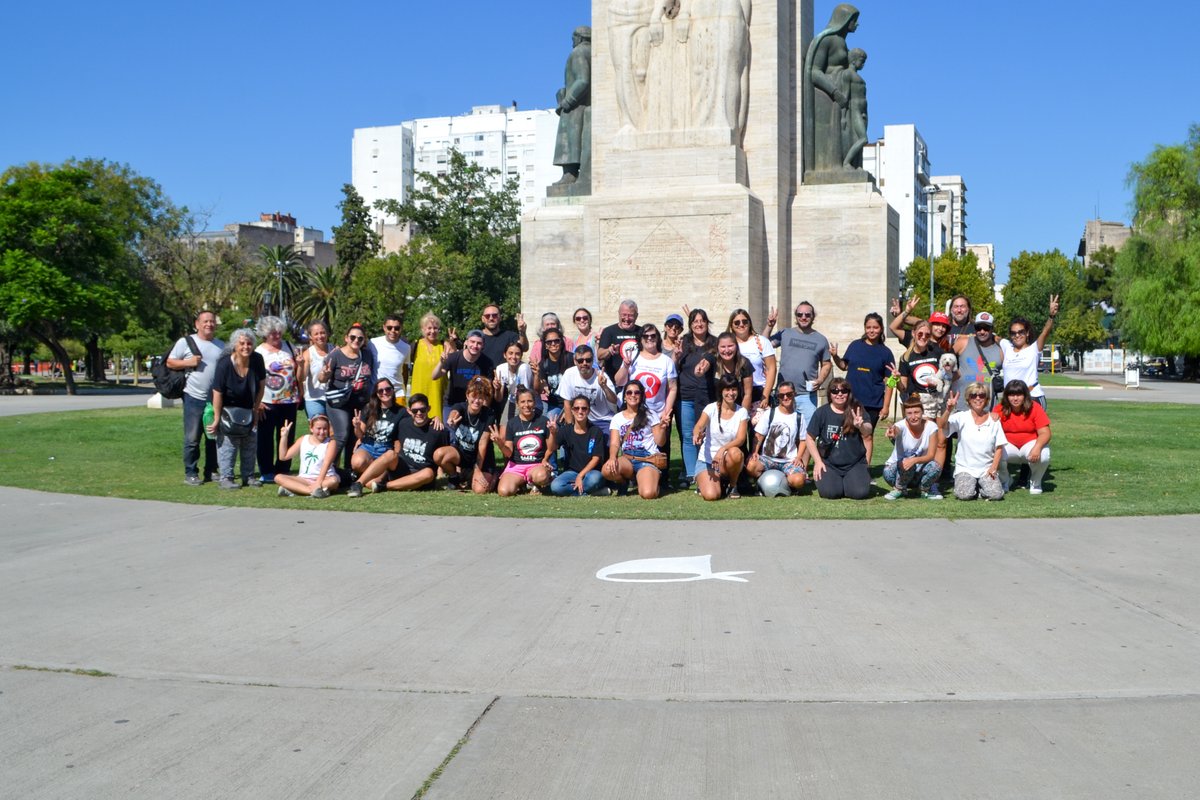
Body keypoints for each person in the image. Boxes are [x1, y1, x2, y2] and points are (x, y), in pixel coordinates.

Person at [166, 310, 224, 486]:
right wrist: (187, 363)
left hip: (215, 399)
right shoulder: (186, 342)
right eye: (205, 321)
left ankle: (212, 470)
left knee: (213, 437)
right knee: (192, 438)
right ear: (197, 324)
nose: (209, 324)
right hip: (193, 397)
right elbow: (170, 362)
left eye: (212, 321)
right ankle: (191, 472)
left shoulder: (221, 345)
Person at [830, 312, 894, 462]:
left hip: (872, 402)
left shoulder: (886, 352)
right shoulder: (855, 346)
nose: (872, 330)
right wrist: (835, 356)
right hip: (850, 400)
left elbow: (890, 382)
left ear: (881, 329)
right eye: (868, 327)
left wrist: (885, 406)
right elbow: (844, 366)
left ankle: (864, 469)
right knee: (847, 433)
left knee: (866, 435)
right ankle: (846, 465)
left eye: (875, 327)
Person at [207, 328, 266, 490]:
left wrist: (255, 410)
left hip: (248, 407)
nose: (246, 347)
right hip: (227, 408)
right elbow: (217, 392)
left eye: (249, 343)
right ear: (235, 345)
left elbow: (261, 387)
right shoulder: (225, 363)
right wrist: (217, 418)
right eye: (242, 343)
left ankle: (248, 476)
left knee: (250, 443)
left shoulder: (257, 360)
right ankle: (226, 477)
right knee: (228, 445)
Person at [319, 323, 375, 473]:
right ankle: (326, 469)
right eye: (353, 337)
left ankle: (349, 470)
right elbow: (322, 379)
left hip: (360, 402)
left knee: (354, 437)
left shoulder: (367, 354)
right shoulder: (336, 355)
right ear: (346, 338)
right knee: (341, 435)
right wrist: (324, 373)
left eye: (360, 338)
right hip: (339, 402)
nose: (356, 340)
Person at [805, 377, 872, 500]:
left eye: (843, 391)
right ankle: (839, 483)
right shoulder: (821, 413)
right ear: (830, 394)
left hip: (854, 463)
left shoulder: (856, 409)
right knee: (830, 493)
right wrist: (818, 461)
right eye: (835, 391)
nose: (839, 394)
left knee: (859, 493)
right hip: (829, 464)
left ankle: (851, 481)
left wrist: (860, 425)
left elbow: (868, 430)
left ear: (848, 393)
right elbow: (809, 438)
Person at [603, 379, 669, 499]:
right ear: (624, 396)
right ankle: (624, 482)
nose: (633, 395)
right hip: (627, 458)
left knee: (648, 494)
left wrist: (663, 428)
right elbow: (614, 443)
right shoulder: (617, 418)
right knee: (607, 470)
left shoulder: (650, 415)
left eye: (637, 393)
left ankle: (650, 480)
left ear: (642, 396)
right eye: (629, 393)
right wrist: (612, 457)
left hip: (647, 458)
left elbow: (660, 442)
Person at [938, 385, 1006, 501]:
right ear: (968, 399)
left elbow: (999, 447)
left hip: (986, 468)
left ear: (987, 399)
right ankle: (973, 486)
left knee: (996, 495)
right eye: (973, 395)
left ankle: (980, 487)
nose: (978, 398)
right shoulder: (961, 417)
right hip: (965, 468)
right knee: (964, 495)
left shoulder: (994, 420)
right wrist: (948, 410)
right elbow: (942, 425)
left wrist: (993, 468)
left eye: (982, 395)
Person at [254, 315, 300, 483]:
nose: (277, 335)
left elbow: (297, 372)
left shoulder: (289, 346)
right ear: (265, 334)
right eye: (273, 333)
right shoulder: (259, 351)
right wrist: (256, 402)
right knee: (265, 438)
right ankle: (266, 471)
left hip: (289, 400)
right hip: (267, 402)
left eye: (279, 332)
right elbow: (254, 378)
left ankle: (283, 468)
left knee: (286, 436)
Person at [675, 308, 718, 487]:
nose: (699, 324)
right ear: (691, 326)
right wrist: (676, 355)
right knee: (687, 436)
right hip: (686, 396)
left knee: (707, 434)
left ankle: (707, 471)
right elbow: (675, 367)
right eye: (695, 322)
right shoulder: (684, 342)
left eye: (702, 321)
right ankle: (692, 474)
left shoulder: (715, 343)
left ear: (707, 323)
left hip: (708, 397)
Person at [344, 379, 408, 497]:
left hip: (385, 450)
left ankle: (360, 482)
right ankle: (375, 473)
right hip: (368, 446)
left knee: (372, 483)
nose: (385, 393)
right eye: (380, 391)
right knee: (357, 462)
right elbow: (360, 435)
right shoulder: (369, 408)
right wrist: (357, 427)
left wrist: (435, 419)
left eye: (388, 389)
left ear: (393, 391)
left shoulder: (401, 411)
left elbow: (418, 418)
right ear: (376, 394)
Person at [693, 374, 750, 500]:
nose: (731, 393)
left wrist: (722, 449)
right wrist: (697, 433)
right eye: (727, 389)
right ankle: (705, 482)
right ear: (721, 391)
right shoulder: (711, 408)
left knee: (736, 453)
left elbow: (740, 439)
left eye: (734, 389)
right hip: (708, 460)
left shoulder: (742, 412)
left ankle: (732, 485)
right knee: (712, 496)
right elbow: (699, 425)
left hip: (726, 460)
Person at [745, 380, 808, 494]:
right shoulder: (770, 414)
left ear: (794, 394)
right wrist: (754, 451)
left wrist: (799, 457)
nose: (785, 398)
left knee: (799, 480)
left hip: (788, 461)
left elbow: (803, 440)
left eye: (789, 394)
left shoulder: (799, 417)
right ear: (777, 397)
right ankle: (760, 484)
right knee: (750, 466)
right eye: (781, 395)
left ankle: (788, 487)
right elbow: (759, 435)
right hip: (767, 459)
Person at [439, 376, 498, 494]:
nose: (477, 401)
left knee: (480, 490)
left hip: (483, 459)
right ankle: (455, 477)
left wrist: (478, 469)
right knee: (439, 454)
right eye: (474, 396)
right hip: (463, 456)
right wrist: (451, 419)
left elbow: (482, 445)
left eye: (480, 398)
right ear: (467, 395)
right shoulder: (460, 407)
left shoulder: (489, 415)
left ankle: (495, 475)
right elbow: (454, 412)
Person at [775, 301, 831, 424]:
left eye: (807, 315)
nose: (803, 317)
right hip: (783, 394)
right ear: (796, 316)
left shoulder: (821, 339)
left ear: (813, 317)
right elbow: (764, 345)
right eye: (800, 314)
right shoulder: (785, 333)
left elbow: (827, 364)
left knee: (808, 434)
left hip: (807, 396)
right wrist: (769, 326)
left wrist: (820, 380)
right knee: (781, 430)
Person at [493, 387, 555, 496]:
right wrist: (500, 443)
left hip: (536, 465)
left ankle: (535, 484)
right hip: (517, 465)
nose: (526, 405)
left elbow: (551, 447)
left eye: (530, 401)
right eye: (522, 402)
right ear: (517, 404)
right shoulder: (512, 423)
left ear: (535, 403)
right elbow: (508, 453)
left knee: (542, 476)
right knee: (504, 492)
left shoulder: (543, 421)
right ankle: (523, 483)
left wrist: (553, 433)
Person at [1001, 295, 1059, 409]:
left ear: (1027, 333)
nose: (1017, 335)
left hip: (1032, 397)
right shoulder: (1006, 346)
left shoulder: (1034, 349)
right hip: (1011, 400)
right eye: (1013, 333)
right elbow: (989, 335)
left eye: (1021, 332)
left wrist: (1051, 316)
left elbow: (1045, 332)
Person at [995, 379, 1052, 494]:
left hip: (1029, 445)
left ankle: (1035, 482)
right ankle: (1005, 481)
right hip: (1008, 445)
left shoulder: (1035, 407)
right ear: (1006, 396)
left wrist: (1037, 447)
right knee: (993, 451)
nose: (1015, 398)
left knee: (1044, 454)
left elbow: (1045, 433)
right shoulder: (1000, 408)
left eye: (1019, 394)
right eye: (1011, 395)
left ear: (1025, 395)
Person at [882, 395, 942, 500]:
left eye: (916, 412)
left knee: (936, 466)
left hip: (916, 470)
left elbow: (931, 455)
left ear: (922, 412)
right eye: (909, 413)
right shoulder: (900, 425)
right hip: (895, 472)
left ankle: (923, 490)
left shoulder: (931, 427)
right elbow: (897, 430)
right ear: (905, 414)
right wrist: (892, 432)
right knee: (906, 462)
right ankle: (899, 489)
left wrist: (914, 460)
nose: (913, 417)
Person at [549, 395, 608, 496]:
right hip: (572, 472)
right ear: (572, 410)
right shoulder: (566, 430)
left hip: (591, 472)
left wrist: (580, 476)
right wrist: (553, 434)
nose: (580, 411)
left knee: (594, 480)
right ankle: (592, 492)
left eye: (584, 408)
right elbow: (552, 448)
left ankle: (578, 491)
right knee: (556, 486)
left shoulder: (596, 431)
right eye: (576, 408)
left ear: (589, 411)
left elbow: (596, 458)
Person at [557, 344, 619, 438]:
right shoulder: (569, 374)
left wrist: (604, 387)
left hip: (602, 419)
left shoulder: (601, 376)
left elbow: (614, 400)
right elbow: (567, 403)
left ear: (592, 360)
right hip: (581, 419)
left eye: (588, 360)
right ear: (575, 361)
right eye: (580, 361)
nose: (584, 363)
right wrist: (570, 429)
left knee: (605, 446)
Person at [274, 415, 340, 499]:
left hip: (325, 478)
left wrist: (318, 483)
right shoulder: (303, 439)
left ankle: (295, 490)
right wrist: (284, 437)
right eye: (318, 428)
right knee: (278, 477)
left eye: (325, 429)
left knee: (334, 481)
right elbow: (283, 457)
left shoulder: (331, 443)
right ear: (311, 428)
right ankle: (311, 491)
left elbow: (326, 464)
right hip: (304, 479)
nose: (322, 432)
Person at [727, 308, 777, 413]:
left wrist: (766, 394)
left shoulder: (761, 341)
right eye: (737, 322)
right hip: (735, 391)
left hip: (758, 390)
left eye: (745, 321)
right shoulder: (729, 344)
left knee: (758, 427)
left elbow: (772, 368)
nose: (741, 325)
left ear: (749, 323)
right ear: (731, 325)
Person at [953, 311, 1004, 411]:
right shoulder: (963, 343)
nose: (982, 331)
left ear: (992, 329)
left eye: (986, 328)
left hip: (988, 409)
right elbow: (945, 360)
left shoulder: (1001, 348)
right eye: (978, 328)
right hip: (962, 408)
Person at [433, 329, 495, 409]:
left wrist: (484, 410)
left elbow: (487, 391)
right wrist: (441, 362)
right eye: (472, 342)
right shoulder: (454, 357)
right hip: (452, 403)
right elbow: (434, 376)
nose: (475, 346)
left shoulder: (487, 363)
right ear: (466, 342)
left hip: (474, 404)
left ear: (483, 345)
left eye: (479, 343)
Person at [409, 312, 454, 421]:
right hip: (419, 389)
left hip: (437, 392)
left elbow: (455, 359)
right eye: (429, 328)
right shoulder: (415, 345)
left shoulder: (444, 345)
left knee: (437, 423)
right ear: (423, 329)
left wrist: (452, 343)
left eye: (435, 328)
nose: (432, 331)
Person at [897, 320, 946, 421]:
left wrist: (939, 382)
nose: (923, 337)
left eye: (927, 335)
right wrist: (897, 379)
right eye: (920, 334)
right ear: (913, 333)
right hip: (919, 401)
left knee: (940, 435)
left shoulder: (937, 352)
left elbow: (951, 375)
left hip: (938, 399)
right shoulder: (906, 358)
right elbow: (903, 389)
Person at [368, 313, 411, 404]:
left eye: (397, 328)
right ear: (384, 327)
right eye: (389, 327)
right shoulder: (373, 343)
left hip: (398, 394)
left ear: (401, 329)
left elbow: (405, 371)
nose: (393, 331)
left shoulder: (406, 347)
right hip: (377, 393)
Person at [532, 326, 570, 420]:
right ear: (545, 345)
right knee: (550, 423)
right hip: (555, 404)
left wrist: (568, 410)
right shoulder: (543, 364)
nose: (553, 344)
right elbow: (538, 390)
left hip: (573, 402)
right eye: (549, 342)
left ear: (561, 342)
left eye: (556, 341)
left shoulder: (571, 359)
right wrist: (537, 375)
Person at [597, 299, 641, 382]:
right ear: (619, 314)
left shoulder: (642, 332)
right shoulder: (609, 331)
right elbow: (599, 355)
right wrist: (609, 350)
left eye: (630, 315)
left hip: (636, 382)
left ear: (636, 316)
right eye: (624, 315)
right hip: (613, 381)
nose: (627, 319)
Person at [493, 340, 533, 429]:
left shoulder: (524, 368)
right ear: (505, 355)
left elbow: (524, 396)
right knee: (503, 433)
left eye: (517, 354)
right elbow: (499, 398)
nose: (513, 357)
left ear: (521, 356)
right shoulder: (500, 368)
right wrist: (497, 389)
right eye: (510, 353)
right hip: (511, 400)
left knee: (519, 428)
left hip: (526, 402)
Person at [839, 48, 868, 169]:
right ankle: (846, 163)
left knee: (858, 139)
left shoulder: (857, 76)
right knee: (863, 139)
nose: (863, 64)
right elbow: (845, 96)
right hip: (854, 108)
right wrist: (843, 116)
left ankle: (858, 166)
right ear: (854, 60)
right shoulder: (847, 74)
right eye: (861, 60)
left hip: (863, 112)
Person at [298, 320, 331, 420]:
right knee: (319, 430)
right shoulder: (308, 354)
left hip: (333, 397)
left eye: (322, 332)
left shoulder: (335, 350)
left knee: (334, 432)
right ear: (311, 337)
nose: (320, 336)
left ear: (327, 333)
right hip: (314, 399)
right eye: (316, 334)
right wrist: (300, 365)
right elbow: (301, 378)